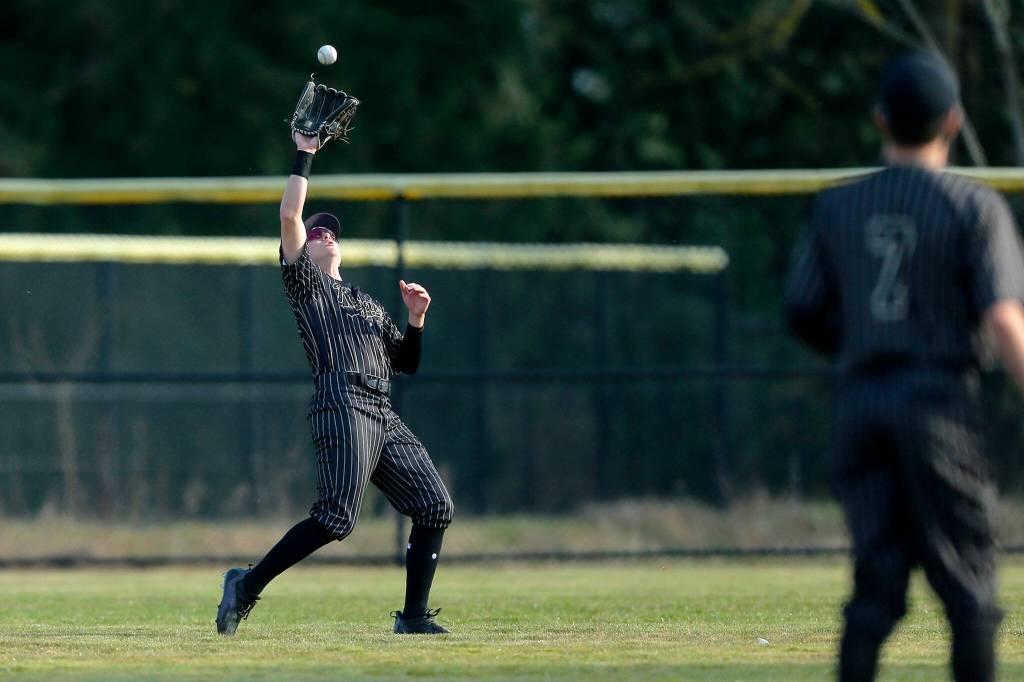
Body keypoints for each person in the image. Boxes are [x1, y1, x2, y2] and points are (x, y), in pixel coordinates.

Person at [785, 52, 1024, 681]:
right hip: (939, 402)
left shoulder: (837, 208)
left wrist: (860, 347)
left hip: (862, 403)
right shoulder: (973, 207)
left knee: (876, 588)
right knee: (970, 591)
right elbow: (1003, 320)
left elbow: (802, 308)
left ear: (880, 119)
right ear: (954, 120)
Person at [216, 131, 455, 636]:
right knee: (336, 518)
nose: (323, 234)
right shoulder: (306, 285)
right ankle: (245, 585)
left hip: (381, 410)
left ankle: (412, 618)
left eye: (330, 231)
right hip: (341, 399)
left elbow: (406, 363)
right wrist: (305, 153)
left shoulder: (368, 304)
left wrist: (416, 320)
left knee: (435, 505)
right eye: (316, 230)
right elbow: (288, 217)